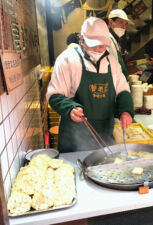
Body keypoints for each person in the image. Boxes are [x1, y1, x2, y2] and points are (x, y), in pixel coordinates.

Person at [46, 17, 134, 153]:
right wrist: (70, 109)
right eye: (94, 45)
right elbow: (54, 95)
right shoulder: (68, 60)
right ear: (81, 39)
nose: (99, 49)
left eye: (102, 45)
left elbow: (123, 90)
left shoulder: (112, 62)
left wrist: (126, 111)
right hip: (74, 137)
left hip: (105, 133)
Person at [108, 9, 130, 78]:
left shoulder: (118, 40)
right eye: (121, 22)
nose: (124, 27)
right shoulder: (108, 39)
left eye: (125, 24)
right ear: (111, 22)